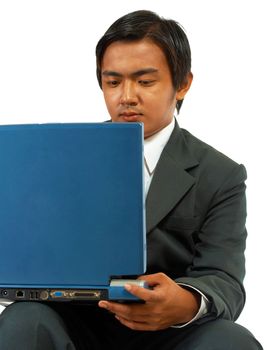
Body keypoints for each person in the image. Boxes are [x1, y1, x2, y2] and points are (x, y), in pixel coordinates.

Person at [0, 9, 263, 350]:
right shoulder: (59, 157)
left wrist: (182, 302)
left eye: (145, 81)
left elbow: (225, 279)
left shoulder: (221, 173)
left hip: (169, 333)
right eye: (113, 82)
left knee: (232, 342)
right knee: (22, 322)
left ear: (182, 84)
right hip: (74, 322)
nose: (126, 96)